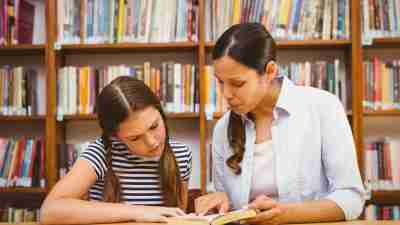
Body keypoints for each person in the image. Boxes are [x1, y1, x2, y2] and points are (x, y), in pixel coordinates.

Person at [195, 23, 365, 224]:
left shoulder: (322, 107)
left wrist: (287, 215)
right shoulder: (223, 128)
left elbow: (351, 198)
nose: (226, 94)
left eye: (237, 83)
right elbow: (229, 209)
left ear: (270, 71)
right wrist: (220, 201)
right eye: (220, 82)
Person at [40, 76, 192, 224]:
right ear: (116, 137)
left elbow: (178, 217)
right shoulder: (101, 153)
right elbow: (49, 211)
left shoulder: (181, 155)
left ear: (160, 113)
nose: (152, 142)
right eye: (135, 138)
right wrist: (139, 212)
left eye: (154, 126)